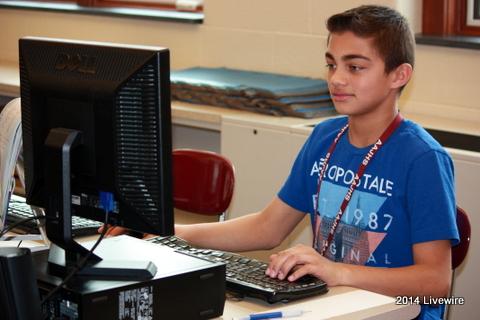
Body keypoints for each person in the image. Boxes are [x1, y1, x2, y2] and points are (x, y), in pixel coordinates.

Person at [111, 5, 459, 319]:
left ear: (399, 75)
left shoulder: (422, 158)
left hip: (393, 311)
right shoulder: (326, 137)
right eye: (331, 64)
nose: (336, 78)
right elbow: (268, 228)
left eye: (355, 67)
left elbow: (435, 281)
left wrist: (338, 271)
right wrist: (170, 232)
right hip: (333, 302)